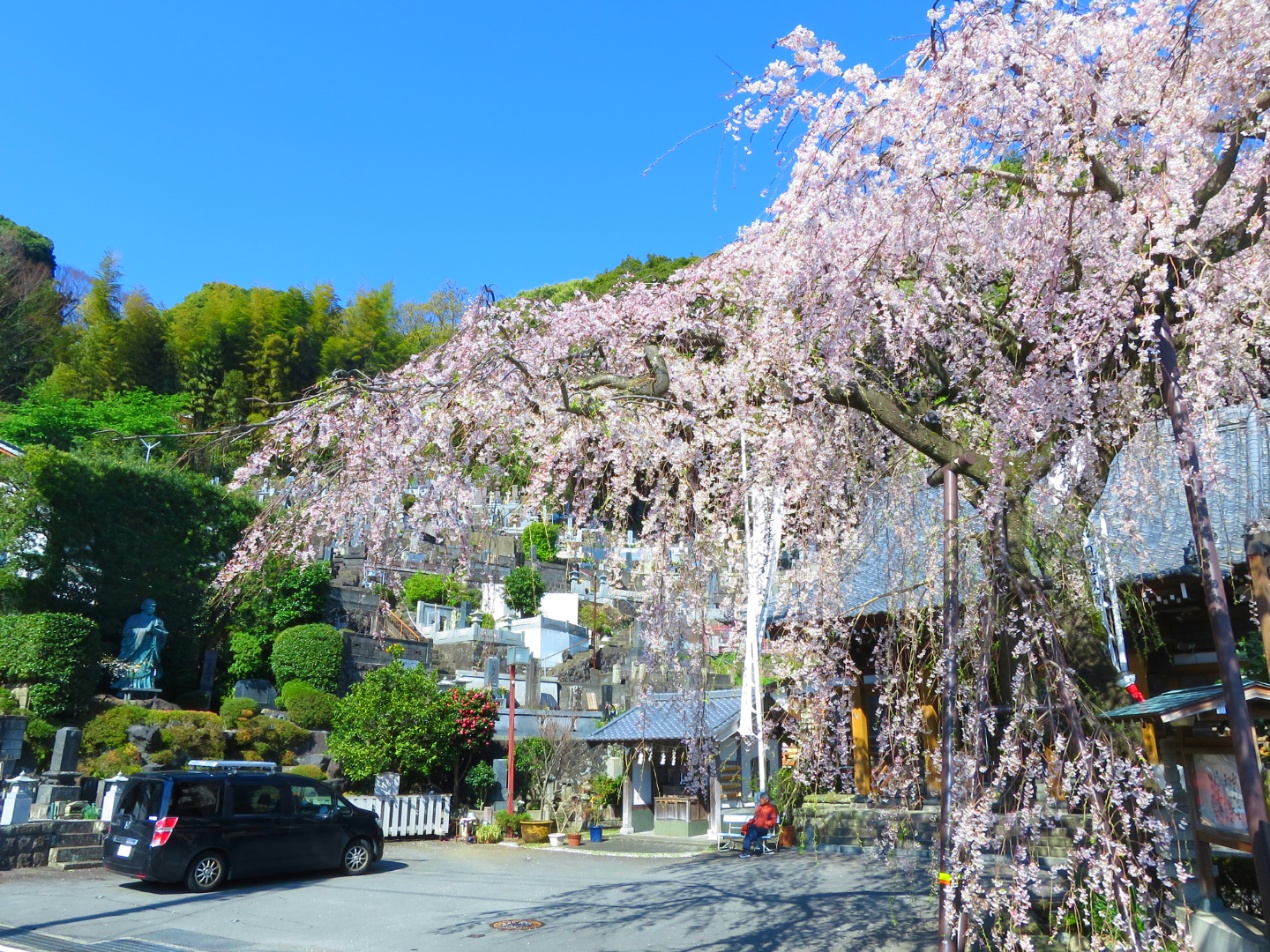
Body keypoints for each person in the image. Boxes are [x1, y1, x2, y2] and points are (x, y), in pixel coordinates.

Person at [113, 598, 169, 693]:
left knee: (148, 667)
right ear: (143, 606)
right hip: (135, 650)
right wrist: (145, 630)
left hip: (150, 649)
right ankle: (129, 687)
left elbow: (164, 634)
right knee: (133, 668)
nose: (151, 608)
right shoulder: (133, 618)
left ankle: (146, 687)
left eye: (153, 606)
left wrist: (157, 632)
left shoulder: (158, 620)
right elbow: (126, 632)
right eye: (149, 605)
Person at [741, 790, 778, 856]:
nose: (760, 800)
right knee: (751, 829)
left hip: (763, 829)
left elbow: (773, 820)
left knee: (750, 833)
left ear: (766, 800)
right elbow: (754, 818)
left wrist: (767, 823)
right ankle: (748, 849)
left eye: (762, 798)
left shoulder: (771, 808)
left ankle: (746, 851)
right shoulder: (759, 808)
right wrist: (749, 823)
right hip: (755, 827)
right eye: (760, 798)